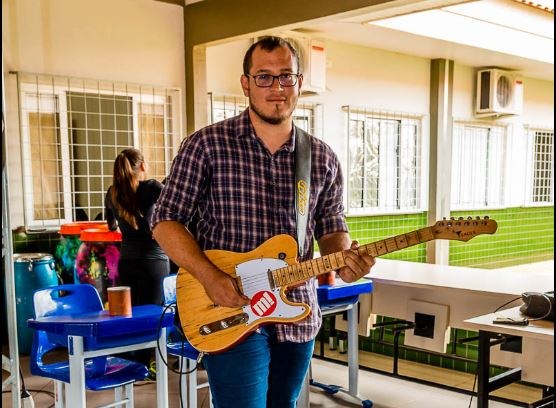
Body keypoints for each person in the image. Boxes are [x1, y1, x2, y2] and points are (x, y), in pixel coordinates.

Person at [151, 36, 375, 408]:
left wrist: (345, 260)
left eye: (286, 77)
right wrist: (210, 278)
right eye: (264, 77)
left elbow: (332, 228)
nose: (276, 88)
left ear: (300, 83)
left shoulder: (320, 157)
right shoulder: (208, 145)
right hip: (230, 306)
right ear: (245, 83)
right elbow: (165, 220)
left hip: (297, 309)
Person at [105, 148, 170, 372]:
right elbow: (173, 210)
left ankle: (130, 365)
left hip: (127, 262)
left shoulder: (112, 192)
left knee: (130, 316)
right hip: (154, 262)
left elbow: (111, 226)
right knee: (151, 316)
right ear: (142, 166)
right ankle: (145, 366)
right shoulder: (153, 187)